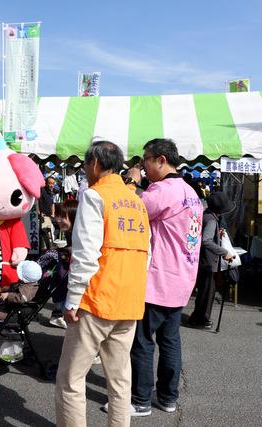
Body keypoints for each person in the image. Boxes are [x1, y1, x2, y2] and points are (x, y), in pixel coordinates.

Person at [55, 141, 150, 427]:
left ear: (94, 164)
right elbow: (147, 252)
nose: (85, 171)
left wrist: (72, 299)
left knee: (71, 379)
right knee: (120, 380)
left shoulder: (95, 196)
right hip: (130, 300)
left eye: (85, 165)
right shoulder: (137, 201)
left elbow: (85, 253)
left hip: (96, 299)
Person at [125, 138, 204, 416]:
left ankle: (140, 400)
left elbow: (128, 208)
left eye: (146, 159)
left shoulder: (163, 190)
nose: (143, 166)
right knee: (170, 340)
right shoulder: (190, 192)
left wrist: (132, 182)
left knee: (144, 341)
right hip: (183, 278)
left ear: (160, 159)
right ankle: (169, 397)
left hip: (159, 279)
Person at [189, 192, 235, 329]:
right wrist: (224, 252)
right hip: (207, 262)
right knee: (207, 292)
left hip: (203, 260)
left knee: (205, 291)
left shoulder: (207, 215)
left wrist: (217, 234)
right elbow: (206, 241)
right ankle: (200, 319)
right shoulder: (212, 219)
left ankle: (197, 317)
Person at [40, 199, 79, 329]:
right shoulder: (70, 232)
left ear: (74, 217)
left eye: (63, 217)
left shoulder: (80, 235)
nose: (58, 219)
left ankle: (57, 314)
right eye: (58, 216)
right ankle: (57, 314)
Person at [39, 176, 56, 251]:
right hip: (43, 216)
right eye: (50, 183)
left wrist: (53, 213)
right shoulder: (42, 190)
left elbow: (52, 204)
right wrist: (39, 212)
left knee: (48, 234)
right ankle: (45, 250)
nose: (51, 185)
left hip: (49, 216)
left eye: (53, 183)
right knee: (44, 232)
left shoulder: (51, 192)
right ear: (46, 183)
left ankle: (49, 249)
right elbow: (38, 202)